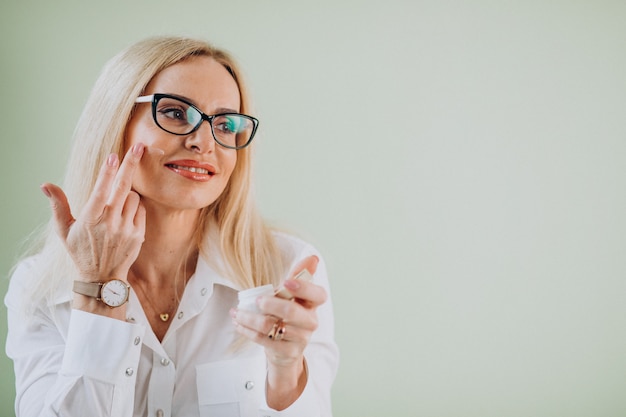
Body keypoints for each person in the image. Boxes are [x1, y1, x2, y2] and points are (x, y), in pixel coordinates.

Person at [5, 36, 338, 417]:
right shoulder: (40, 288)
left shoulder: (288, 268)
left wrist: (285, 371)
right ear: (115, 122)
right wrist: (99, 289)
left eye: (226, 124)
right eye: (177, 113)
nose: (204, 143)